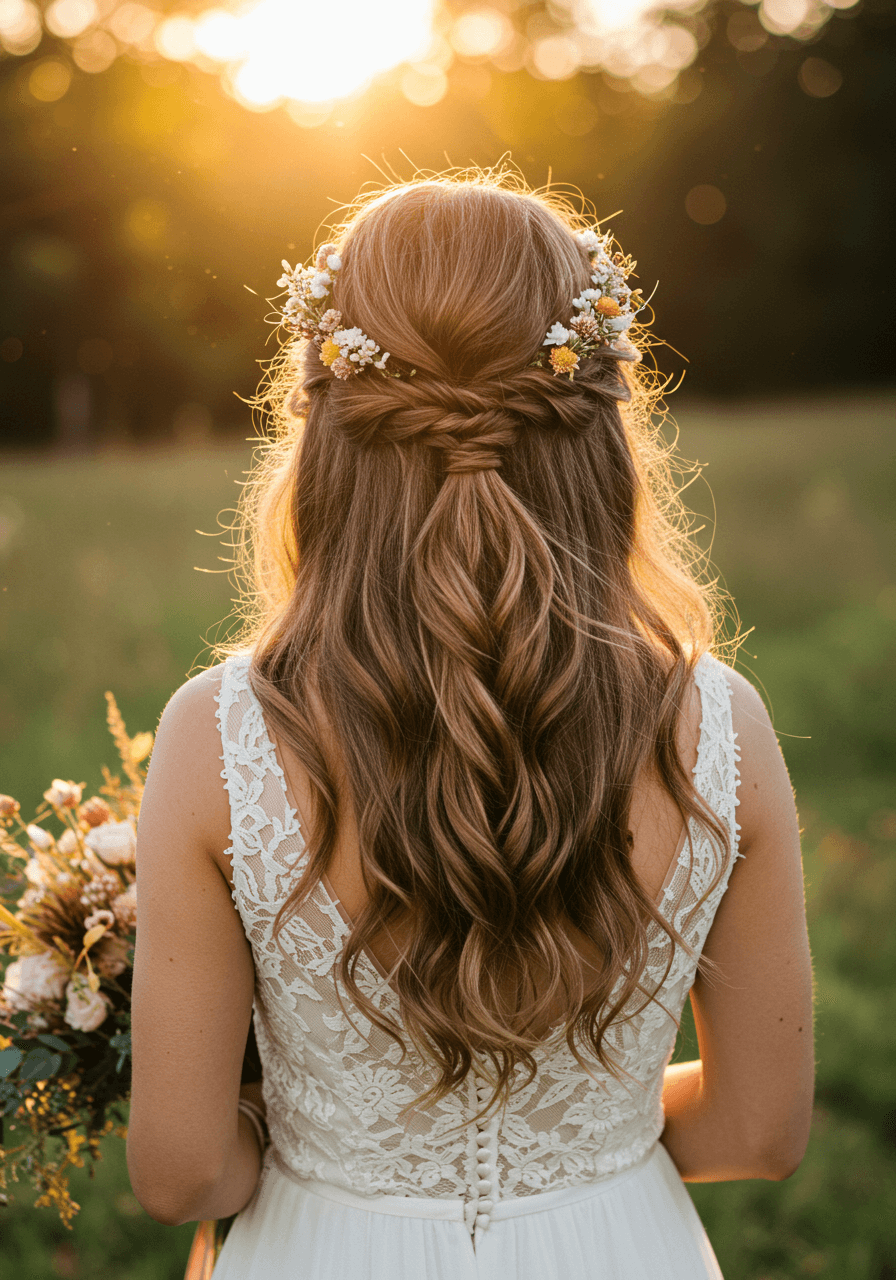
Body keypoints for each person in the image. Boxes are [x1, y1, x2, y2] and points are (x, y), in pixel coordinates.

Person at [126, 175, 815, 1279]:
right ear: (596, 421)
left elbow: (179, 1170)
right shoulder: (716, 724)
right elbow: (758, 1132)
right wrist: (590, 1147)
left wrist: (295, 1129)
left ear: (324, 422)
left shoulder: (221, 733)